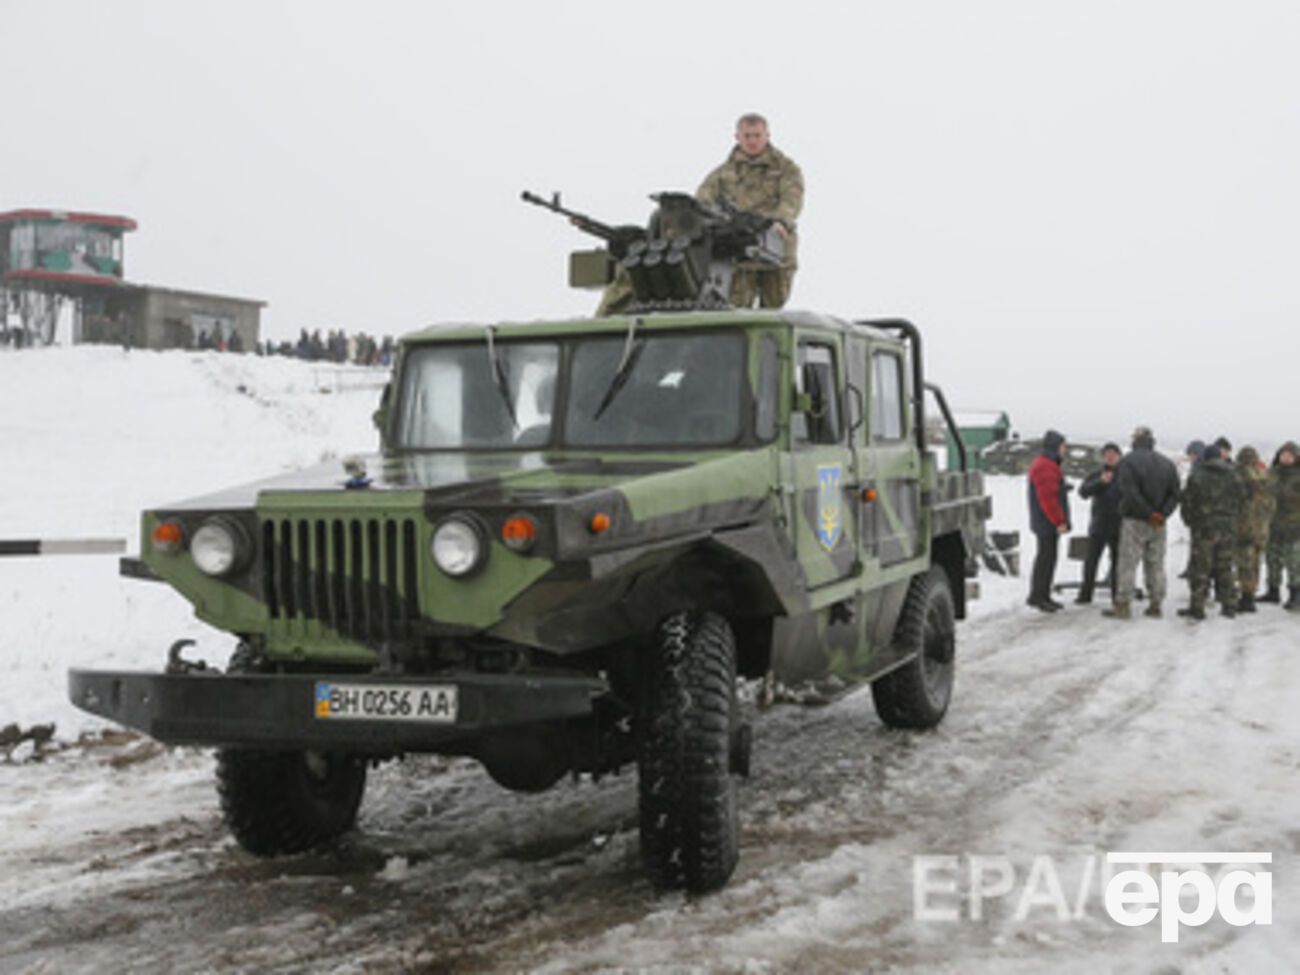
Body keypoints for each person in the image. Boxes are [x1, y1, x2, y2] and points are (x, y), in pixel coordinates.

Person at [696, 112, 805, 309]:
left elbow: (791, 199)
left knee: (773, 308)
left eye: (757, 135)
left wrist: (780, 222)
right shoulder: (722, 174)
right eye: (747, 136)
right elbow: (703, 200)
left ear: (767, 136)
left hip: (776, 250)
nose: (752, 141)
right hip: (739, 254)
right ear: (737, 137)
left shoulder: (786, 169)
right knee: (734, 311)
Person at [1105, 425, 1181, 620]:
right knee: (1155, 563)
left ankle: (1123, 605)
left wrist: (1148, 513)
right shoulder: (1167, 464)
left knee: (1128, 563)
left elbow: (1129, 493)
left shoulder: (1127, 462)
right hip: (1159, 523)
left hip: (1134, 520)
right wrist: (1161, 514)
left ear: (1136, 439)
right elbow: (1175, 494)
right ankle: (1156, 604)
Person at [1177, 444, 1244, 620]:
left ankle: (1197, 608)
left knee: (1200, 568)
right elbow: (1242, 499)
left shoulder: (1197, 475)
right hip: (1227, 528)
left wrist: (1191, 522)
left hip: (1203, 529)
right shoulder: (1233, 475)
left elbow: (1187, 502)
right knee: (1225, 566)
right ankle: (1230, 605)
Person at [1026, 430, 1071, 612]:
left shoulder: (1047, 464)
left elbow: (1050, 490)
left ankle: (1042, 595)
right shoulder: (1046, 466)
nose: (1064, 450)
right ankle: (1038, 596)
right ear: (1055, 446)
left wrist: (1062, 488)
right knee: (1046, 558)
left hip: (1044, 521)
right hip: (1047, 522)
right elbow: (1047, 499)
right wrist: (1059, 521)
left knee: (1047, 557)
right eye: (1063, 446)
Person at [1076, 442, 1123, 605]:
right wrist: (1100, 483)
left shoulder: (1125, 474)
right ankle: (1085, 594)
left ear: (1119, 456)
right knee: (1091, 560)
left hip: (1119, 525)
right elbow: (1083, 492)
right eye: (1107, 454)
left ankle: (1117, 596)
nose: (1110, 457)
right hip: (1099, 524)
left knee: (1118, 562)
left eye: (1113, 454)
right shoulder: (1097, 473)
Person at [1233, 446, 1276, 613]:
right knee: (1256, 562)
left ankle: (1246, 599)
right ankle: (1250, 594)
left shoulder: (1238, 475)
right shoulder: (1266, 477)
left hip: (1244, 527)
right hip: (1262, 528)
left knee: (1244, 563)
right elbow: (1272, 505)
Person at [1269, 442, 1300, 610]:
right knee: (1272, 560)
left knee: (1294, 563)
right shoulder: (1272, 473)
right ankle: (1273, 592)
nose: (1286, 457)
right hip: (1273, 525)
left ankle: (1296, 595)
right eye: (1283, 454)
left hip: (1295, 528)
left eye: (1290, 455)